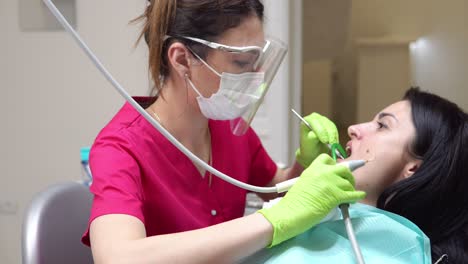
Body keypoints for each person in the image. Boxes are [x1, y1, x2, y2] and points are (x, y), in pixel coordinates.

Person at [82, 1, 365, 263]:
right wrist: (272, 221)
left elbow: (270, 186)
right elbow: (119, 257)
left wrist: (304, 164)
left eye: (259, 60)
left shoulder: (228, 127)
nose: (256, 77)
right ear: (181, 59)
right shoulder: (120, 148)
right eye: (242, 63)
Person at [243, 87, 468, 263]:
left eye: (382, 125)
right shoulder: (329, 219)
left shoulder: (398, 251)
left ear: (414, 169)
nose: (353, 128)